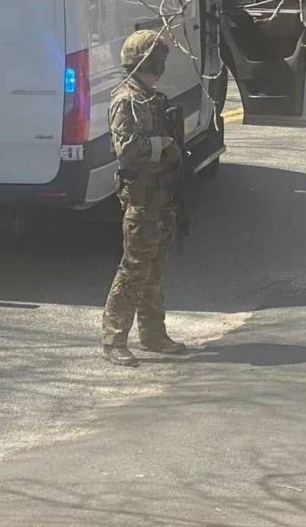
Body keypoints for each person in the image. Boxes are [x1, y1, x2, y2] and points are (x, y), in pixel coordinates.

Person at [101, 30, 188, 366]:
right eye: (157, 61)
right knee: (134, 268)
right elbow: (126, 151)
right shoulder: (127, 99)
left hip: (160, 196)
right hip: (141, 198)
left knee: (154, 268)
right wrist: (162, 144)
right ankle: (113, 339)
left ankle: (153, 334)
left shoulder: (150, 97)